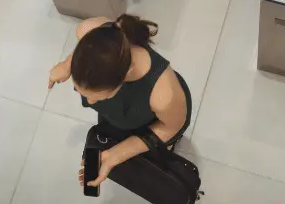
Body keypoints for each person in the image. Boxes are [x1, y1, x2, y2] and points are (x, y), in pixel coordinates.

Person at [48, 14, 191, 191]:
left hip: (157, 120)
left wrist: (117, 154)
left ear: (125, 75)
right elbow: (87, 48)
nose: (90, 102)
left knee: (158, 150)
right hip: (122, 115)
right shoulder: (88, 30)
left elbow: (171, 127)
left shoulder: (164, 96)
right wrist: (67, 64)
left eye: (102, 97)